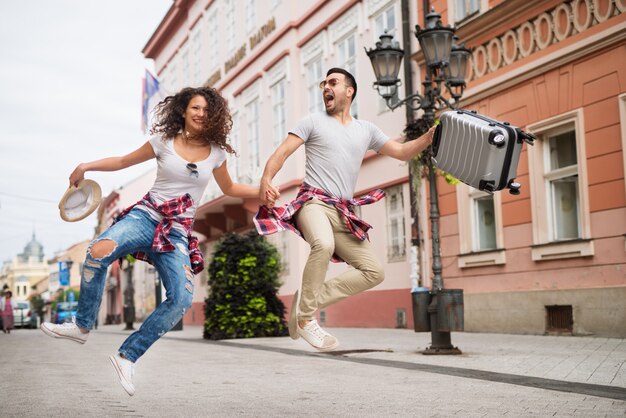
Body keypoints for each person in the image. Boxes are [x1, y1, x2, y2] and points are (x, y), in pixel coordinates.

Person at [41, 86, 265, 396]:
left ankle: (127, 356)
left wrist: (262, 190)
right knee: (97, 251)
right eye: (195, 108)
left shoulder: (216, 153)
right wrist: (85, 166)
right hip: (145, 217)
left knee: (182, 298)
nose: (201, 114)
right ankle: (81, 325)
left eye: (206, 110)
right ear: (183, 111)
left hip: (177, 232)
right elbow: (122, 162)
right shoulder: (163, 142)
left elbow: (230, 188)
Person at [255, 68, 435, 351]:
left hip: (342, 212)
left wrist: (427, 138)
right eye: (324, 82)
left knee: (373, 271)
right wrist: (267, 179)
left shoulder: (366, 130)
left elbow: (400, 152)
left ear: (349, 91)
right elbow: (281, 153)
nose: (326, 86)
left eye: (333, 82)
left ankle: (307, 299)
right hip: (313, 202)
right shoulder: (312, 122)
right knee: (323, 244)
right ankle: (306, 320)